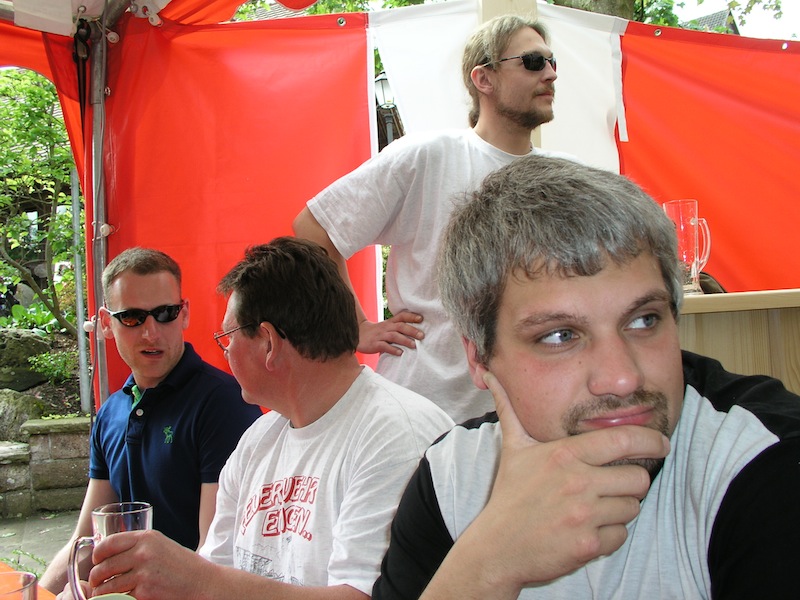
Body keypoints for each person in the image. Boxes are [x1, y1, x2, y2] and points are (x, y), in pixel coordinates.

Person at [372, 155, 800, 599]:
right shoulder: (452, 477)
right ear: (480, 358)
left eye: (643, 320)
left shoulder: (766, 462)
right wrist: (487, 565)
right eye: (560, 336)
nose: (622, 378)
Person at [61, 237, 453, 600]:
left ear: (267, 342)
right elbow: (218, 569)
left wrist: (194, 578)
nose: (226, 353)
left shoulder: (396, 435)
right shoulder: (257, 441)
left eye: (227, 338)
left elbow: (363, 596)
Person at [293, 14, 574, 424]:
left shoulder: (565, 177)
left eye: (552, 62)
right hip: (425, 413)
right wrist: (355, 327)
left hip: (532, 412)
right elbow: (315, 228)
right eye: (533, 62)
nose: (549, 73)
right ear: (484, 78)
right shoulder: (429, 155)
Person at [41, 247, 262, 594]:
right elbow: (85, 542)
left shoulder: (223, 402)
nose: (151, 333)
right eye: (132, 318)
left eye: (165, 314)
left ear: (184, 314)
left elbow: (215, 558)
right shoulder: (111, 412)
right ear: (106, 323)